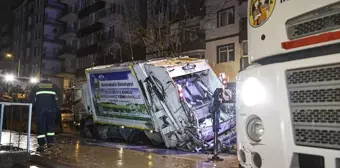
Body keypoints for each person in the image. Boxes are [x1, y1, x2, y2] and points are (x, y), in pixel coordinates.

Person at [29, 77, 61, 152]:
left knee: (40, 126)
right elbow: (60, 96)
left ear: (41, 79)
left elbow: (32, 98)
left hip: (40, 109)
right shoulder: (53, 86)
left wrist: (32, 107)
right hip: (51, 109)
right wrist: (57, 107)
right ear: (48, 79)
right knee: (50, 125)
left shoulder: (36, 86)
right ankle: (50, 142)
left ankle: (41, 144)